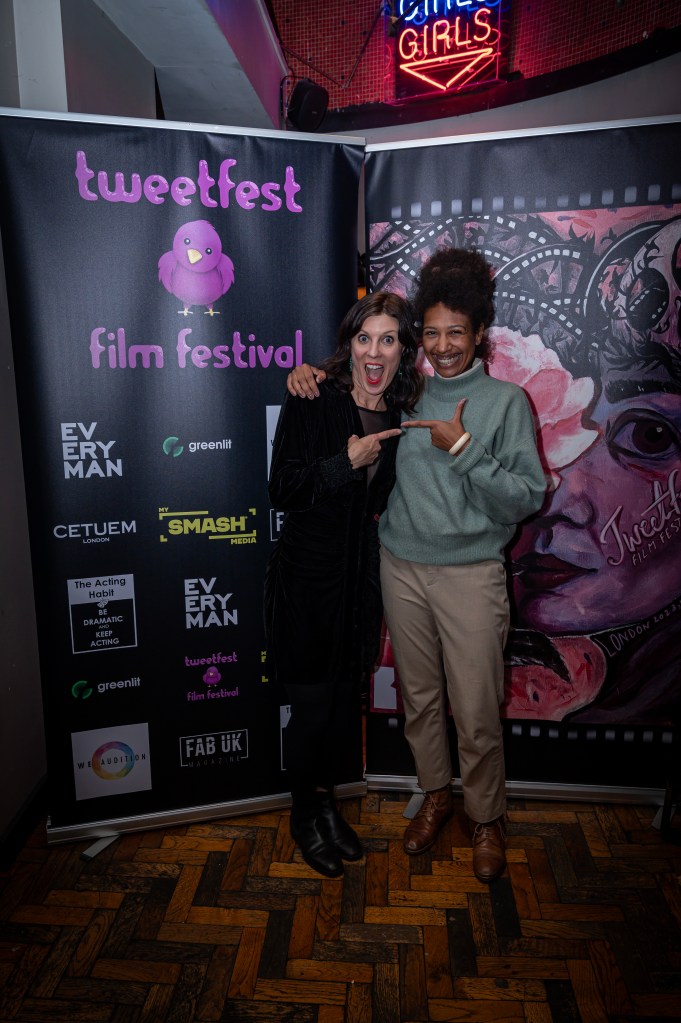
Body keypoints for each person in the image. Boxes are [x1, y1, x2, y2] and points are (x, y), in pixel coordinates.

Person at [287, 248, 547, 881]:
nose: (443, 345)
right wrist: (308, 372)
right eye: (431, 333)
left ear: (479, 333)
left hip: (471, 574)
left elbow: (526, 498)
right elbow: (358, 377)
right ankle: (434, 795)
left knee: (477, 711)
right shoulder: (407, 392)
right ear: (419, 340)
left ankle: (486, 817)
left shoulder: (507, 402)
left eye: (456, 332)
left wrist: (465, 448)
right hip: (399, 568)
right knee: (422, 702)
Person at [266, 291, 421, 878]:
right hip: (307, 583)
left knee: (337, 711)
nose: (374, 352)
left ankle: (327, 807)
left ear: (402, 350)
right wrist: (343, 464)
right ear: (349, 346)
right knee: (310, 711)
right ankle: (303, 815)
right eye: (364, 338)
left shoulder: (401, 417)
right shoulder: (313, 398)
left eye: (388, 339)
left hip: (358, 587)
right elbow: (282, 489)